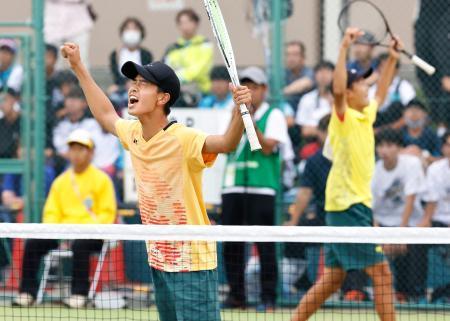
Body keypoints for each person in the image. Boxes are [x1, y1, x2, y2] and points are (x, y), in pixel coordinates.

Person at [61, 42, 250, 321]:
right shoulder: (134, 133)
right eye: (133, 83)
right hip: (159, 258)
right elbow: (104, 114)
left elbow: (226, 143)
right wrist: (78, 66)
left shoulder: (183, 139)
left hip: (190, 260)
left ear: (163, 98)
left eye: (143, 84)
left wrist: (240, 112)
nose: (133, 88)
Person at [290, 28, 401, 321]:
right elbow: (338, 90)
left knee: (332, 280)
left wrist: (391, 58)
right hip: (347, 206)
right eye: (361, 86)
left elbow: (383, 90)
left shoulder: (366, 114)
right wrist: (343, 47)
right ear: (350, 93)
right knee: (382, 273)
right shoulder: (343, 117)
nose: (367, 88)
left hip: (354, 205)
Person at [12, 129, 116, 308]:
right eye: (73, 149)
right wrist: (59, 234)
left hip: (92, 235)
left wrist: (83, 231)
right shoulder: (60, 182)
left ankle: (79, 294)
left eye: (81, 149)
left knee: (80, 245)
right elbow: (51, 212)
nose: (76, 153)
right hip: (62, 234)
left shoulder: (102, 180)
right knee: (33, 244)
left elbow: (107, 213)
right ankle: (27, 292)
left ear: (91, 153)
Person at [221, 66, 289, 311]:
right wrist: (238, 114)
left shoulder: (274, 115)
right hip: (233, 187)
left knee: (265, 245)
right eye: (246, 87)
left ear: (264, 90)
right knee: (231, 245)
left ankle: (268, 298)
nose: (251, 91)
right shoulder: (231, 111)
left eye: (255, 87)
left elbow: (268, 147)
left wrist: (249, 119)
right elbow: (225, 142)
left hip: (262, 188)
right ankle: (236, 296)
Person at [372, 128, 427, 303]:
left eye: (389, 145)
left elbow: (410, 199)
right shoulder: (373, 170)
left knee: (416, 246)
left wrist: (401, 235)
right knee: (362, 246)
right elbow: (371, 209)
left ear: (399, 148)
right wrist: (379, 237)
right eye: (380, 146)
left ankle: (415, 294)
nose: (384, 150)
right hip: (382, 224)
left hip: (409, 222)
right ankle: (355, 292)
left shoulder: (411, 164)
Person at [283, 115, 331, 296]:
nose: (330, 135)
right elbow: (304, 192)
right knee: (295, 237)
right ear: (319, 133)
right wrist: (294, 221)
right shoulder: (314, 161)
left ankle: (353, 290)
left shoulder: (351, 157)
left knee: (352, 243)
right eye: (326, 131)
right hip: (322, 217)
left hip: (348, 217)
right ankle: (303, 283)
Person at [418, 131, 450, 303]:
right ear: (444, 148)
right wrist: (424, 224)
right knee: (416, 244)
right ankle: (416, 292)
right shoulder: (436, 169)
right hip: (438, 223)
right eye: (449, 145)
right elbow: (431, 202)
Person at [164, 8, 213, 106]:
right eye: (181, 23)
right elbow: (167, 69)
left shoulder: (205, 44)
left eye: (189, 22)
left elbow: (200, 70)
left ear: (196, 23)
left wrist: (176, 77)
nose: (185, 26)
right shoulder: (173, 48)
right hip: (177, 94)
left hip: (202, 93)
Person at [45, 0, 96, 69]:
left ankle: (81, 79)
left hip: (78, 15)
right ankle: (53, 79)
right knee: (53, 62)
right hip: (53, 13)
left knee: (80, 60)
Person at [369, 53, 416, 129]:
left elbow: (412, 110)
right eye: (382, 66)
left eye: (389, 66)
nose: (385, 70)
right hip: (376, 127)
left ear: (396, 69)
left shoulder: (403, 86)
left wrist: (391, 128)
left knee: (396, 106)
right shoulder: (371, 89)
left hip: (398, 128)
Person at [108, 17, 153, 94]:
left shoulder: (146, 54)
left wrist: (134, 83)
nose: (131, 32)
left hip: (141, 89)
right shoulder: (115, 54)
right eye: (127, 29)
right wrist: (124, 85)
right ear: (122, 33)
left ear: (141, 33)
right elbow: (116, 76)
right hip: (121, 89)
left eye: (135, 29)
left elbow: (147, 76)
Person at [401, 99, 440, 164]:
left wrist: (422, 154)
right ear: (404, 114)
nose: (414, 113)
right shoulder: (398, 134)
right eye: (410, 110)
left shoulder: (431, 135)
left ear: (425, 114)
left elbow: (439, 159)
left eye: (417, 110)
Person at [283, 41, 314, 111]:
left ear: (303, 57)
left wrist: (281, 93)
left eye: (295, 55)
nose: (291, 58)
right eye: (288, 54)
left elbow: (306, 82)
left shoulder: (309, 72)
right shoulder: (284, 73)